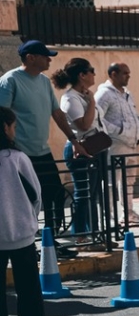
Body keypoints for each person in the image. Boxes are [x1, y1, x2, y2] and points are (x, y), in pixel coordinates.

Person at [0, 40, 87, 258]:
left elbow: (57, 113)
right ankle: (29, 246)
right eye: (45, 56)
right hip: (19, 154)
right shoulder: (10, 80)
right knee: (24, 201)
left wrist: (73, 140)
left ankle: (50, 243)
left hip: (42, 151)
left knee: (53, 196)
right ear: (30, 58)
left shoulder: (44, 82)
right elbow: (2, 116)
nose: (49, 60)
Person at [0, 106, 49, 316]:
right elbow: (35, 194)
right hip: (21, 233)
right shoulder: (18, 158)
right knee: (28, 288)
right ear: (5, 128)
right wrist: (31, 219)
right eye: (13, 126)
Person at [52, 58, 103, 242]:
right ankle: (80, 236)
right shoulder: (70, 98)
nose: (94, 74)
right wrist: (92, 102)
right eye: (91, 70)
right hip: (80, 149)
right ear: (82, 75)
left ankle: (95, 234)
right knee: (83, 194)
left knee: (93, 195)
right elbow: (84, 125)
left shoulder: (84, 95)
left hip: (95, 147)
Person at [96, 62, 139, 224]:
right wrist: (119, 131)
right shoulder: (104, 94)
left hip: (131, 144)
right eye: (125, 73)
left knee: (129, 181)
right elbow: (97, 118)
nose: (128, 76)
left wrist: (138, 132)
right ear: (113, 74)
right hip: (116, 145)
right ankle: (108, 216)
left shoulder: (127, 94)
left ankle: (128, 213)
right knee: (111, 182)